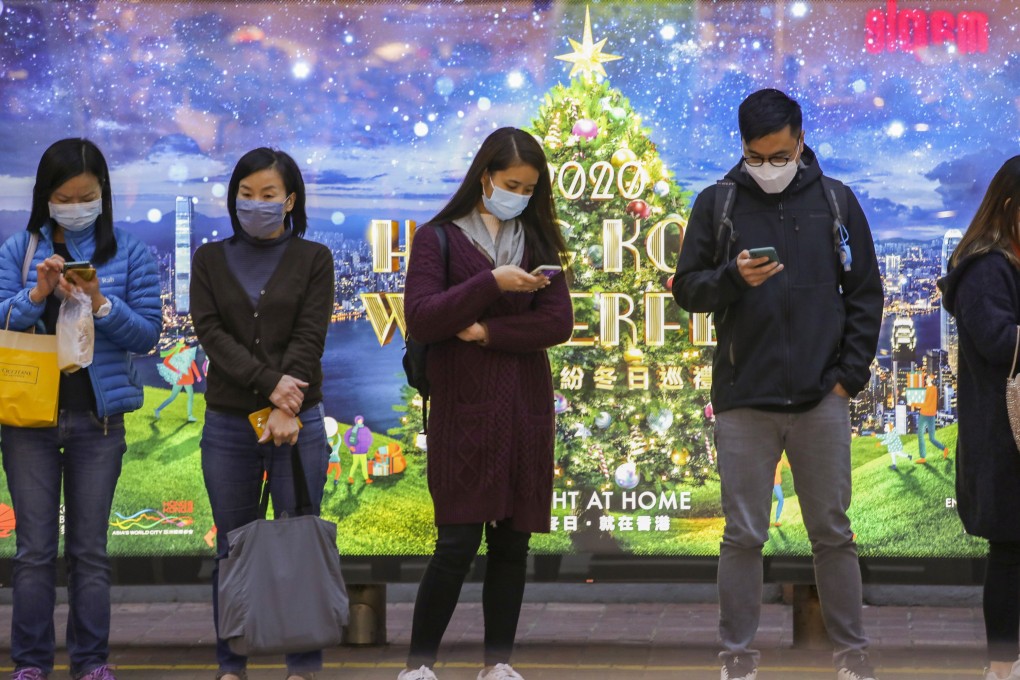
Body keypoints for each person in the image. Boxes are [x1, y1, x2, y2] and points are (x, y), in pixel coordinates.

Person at [672, 89, 884, 680]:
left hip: (821, 399)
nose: (770, 167)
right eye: (758, 157)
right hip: (744, 398)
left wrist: (848, 378)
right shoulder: (717, 203)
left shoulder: (836, 201)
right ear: (742, 148)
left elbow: (865, 293)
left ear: (800, 140)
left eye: (781, 154)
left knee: (833, 533)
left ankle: (852, 654)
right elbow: (687, 288)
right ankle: (736, 658)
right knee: (742, 535)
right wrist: (732, 278)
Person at [399, 127, 574, 680]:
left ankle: (498, 662)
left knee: (511, 544)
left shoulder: (540, 241)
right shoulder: (439, 239)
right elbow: (425, 316)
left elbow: (558, 323)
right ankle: (419, 665)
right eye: (510, 183)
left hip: (524, 408)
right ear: (485, 178)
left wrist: (487, 334)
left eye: (528, 187)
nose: (519, 195)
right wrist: (494, 282)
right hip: (463, 410)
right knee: (455, 542)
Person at [0, 138, 162, 680]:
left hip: (99, 421)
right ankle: (30, 663)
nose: (75, 205)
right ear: (46, 197)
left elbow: (147, 335)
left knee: (90, 553)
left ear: (103, 195)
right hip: (28, 421)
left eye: (86, 195)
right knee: (34, 552)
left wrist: (99, 302)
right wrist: (37, 294)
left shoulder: (132, 253)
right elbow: (2, 322)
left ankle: (91, 662)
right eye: (64, 196)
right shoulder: (18, 250)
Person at [190, 147, 334, 680]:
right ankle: (233, 662)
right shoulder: (209, 260)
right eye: (245, 195)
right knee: (234, 544)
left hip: (299, 421)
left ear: (290, 200)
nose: (255, 205)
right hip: (230, 422)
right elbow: (212, 335)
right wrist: (272, 386)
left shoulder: (314, 258)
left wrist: (287, 403)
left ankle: (303, 662)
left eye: (268, 195)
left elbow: (310, 334)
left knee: (299, 535)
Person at [937, 155, 1020, 680]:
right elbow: (996, 341)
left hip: (1007, 438)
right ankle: (1003, 666)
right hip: (1004, 441)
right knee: (1011, 553)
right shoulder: (986, 267)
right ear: (1011, 208)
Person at [153, 340, 203, 422]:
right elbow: (166, 362)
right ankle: (158, 410)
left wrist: (198, 376)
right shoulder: (176, 350)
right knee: (173, 397)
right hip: (180, 378)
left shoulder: (185, 351)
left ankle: (190, 416)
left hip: (187, 378)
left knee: (190, 396)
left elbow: (192, 364)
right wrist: (176, 370)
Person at [907, 374, 948, 462]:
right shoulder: (926, 388)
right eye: (927, 378)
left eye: (928, 378)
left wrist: (913, 404)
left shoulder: (933, 389)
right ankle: (923, 457)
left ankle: (944, 449)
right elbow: (922, 400)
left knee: (931, 438)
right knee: (921, 435)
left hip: (928, 415)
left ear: (932, 380)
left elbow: (927, 403)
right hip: (924, 414)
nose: (926, 379)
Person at [343, 415, 373, 485]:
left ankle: (367, 479)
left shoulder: (366, 429)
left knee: (364, 465)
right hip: (355, 450)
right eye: (358, 420)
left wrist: (367, 445)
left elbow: (370, 438)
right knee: (355, 464)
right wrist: (350, 446)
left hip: (363, 450)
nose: (360, 421)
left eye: (361, 420)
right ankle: (350, 477)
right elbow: (346, 437)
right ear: (356, 421)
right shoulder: (352, 429)